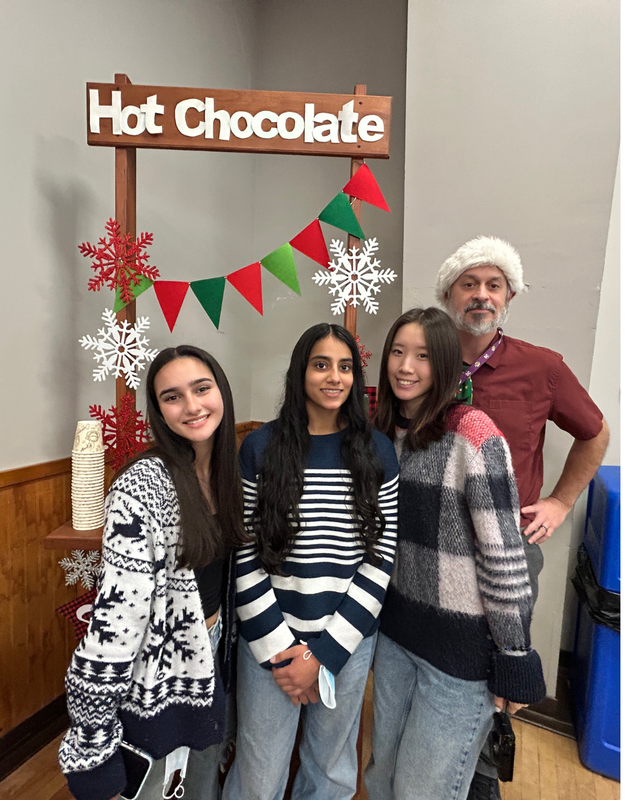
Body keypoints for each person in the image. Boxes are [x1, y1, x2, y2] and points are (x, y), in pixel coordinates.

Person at [435, 235, 609, 798]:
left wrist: (560, 501)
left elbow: (594, 433)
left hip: (506, 546)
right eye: (469, 284)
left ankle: (484, 778)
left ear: (509, 296)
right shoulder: (422, 361)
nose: (481, 295)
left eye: (493, 285)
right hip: (429, 545)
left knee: (496, 665)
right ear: (449, 295)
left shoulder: (542, 367)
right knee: (437, 661)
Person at [364, 307, 546, 800]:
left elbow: (504, 554)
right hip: (397, 636)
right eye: (398, 352)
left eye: (422, 356)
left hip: (460, 654)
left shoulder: (474, 435)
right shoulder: (384, 434)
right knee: (381, 777)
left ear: (444, 364)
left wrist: (513, 652)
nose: (406, 366)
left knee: (423, 789)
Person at [59, 345, 246, 800]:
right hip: (158, 676)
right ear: (159, 411)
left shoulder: (226, 472)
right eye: (172, 396)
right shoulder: (143, 485)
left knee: (203, 785)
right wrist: (91, 732)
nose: (192, 405)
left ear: (221, 389)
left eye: (201, 388)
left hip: (214, 657)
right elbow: (116, 618)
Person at [222, 322, 399, 800]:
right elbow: (246, 554)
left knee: (331, 770)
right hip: (270, 646)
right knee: (259, 774)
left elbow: (380, 560)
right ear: (301, 372)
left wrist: (326, 653)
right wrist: (284, 651)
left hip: (347, 641)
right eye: (321, 364)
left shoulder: (377, 452)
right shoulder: (261, 448)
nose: (333, 377)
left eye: (344, 367)